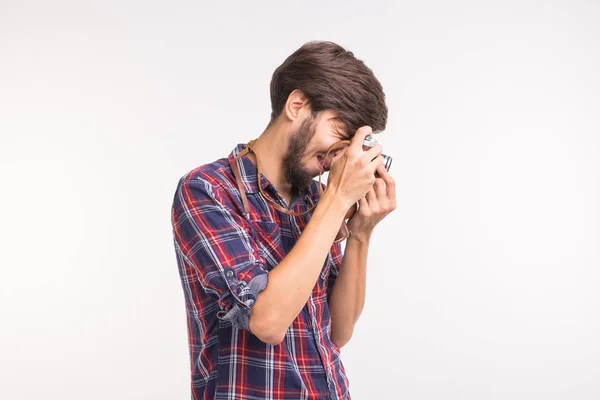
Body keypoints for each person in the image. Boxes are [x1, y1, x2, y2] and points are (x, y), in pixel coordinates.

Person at [171, 41, 396, 400]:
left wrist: (360, 234)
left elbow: (338, 331)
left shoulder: (317, 199)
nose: (340, 156)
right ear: (297, 106)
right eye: (340, 134)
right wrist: (337, 200)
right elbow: (268, 321)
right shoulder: (208, 190)